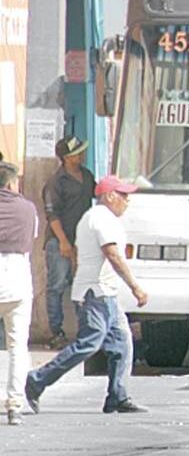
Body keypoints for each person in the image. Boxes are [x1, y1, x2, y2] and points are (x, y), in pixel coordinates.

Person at [24, 175, 149, 415]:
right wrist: (135, 286)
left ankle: (117, 395)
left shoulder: (98, 218)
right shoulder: (100, 219)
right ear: (110, 196)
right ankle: (38, 379)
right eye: (123, 195)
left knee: (122, 344)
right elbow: (113, 255)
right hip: (96, 293)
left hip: (104, 293)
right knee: (89, 344)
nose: (127, 201)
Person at [41, 136, 96, 349]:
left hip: (82, 241)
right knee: (56, 286)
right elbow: (51, 214)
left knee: (81, 285)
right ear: (65, 158)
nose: (81, 156)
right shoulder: (56, 182)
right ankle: (57, 332)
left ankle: (86, 329)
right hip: (59, 242)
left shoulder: (87, 176)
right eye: (76, 153)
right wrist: (64, 242)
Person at [0, 161, 37, 425]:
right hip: (17, 278)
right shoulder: (28, 209)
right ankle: (14, 405)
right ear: (12, 183)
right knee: (17, 346)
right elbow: (31, 240)